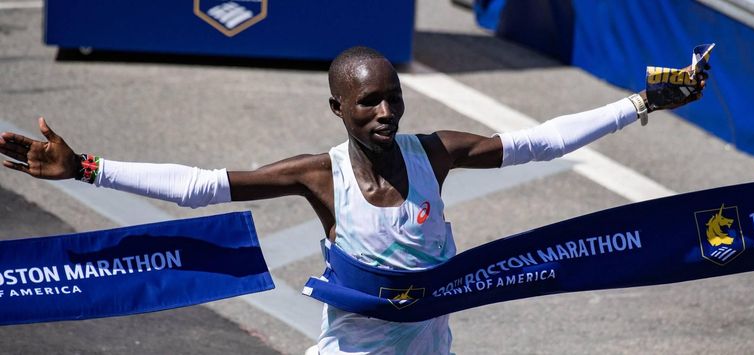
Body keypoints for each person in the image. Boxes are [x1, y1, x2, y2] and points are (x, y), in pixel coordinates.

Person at [0, 46, 705, 354]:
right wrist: (86, 167)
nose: (385, 112)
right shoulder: (318, 177)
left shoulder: (435, 154)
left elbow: (544, 141)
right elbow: (196, 185)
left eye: (393, 96)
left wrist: (642, 102)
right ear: (337, 106)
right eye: (368, 101)